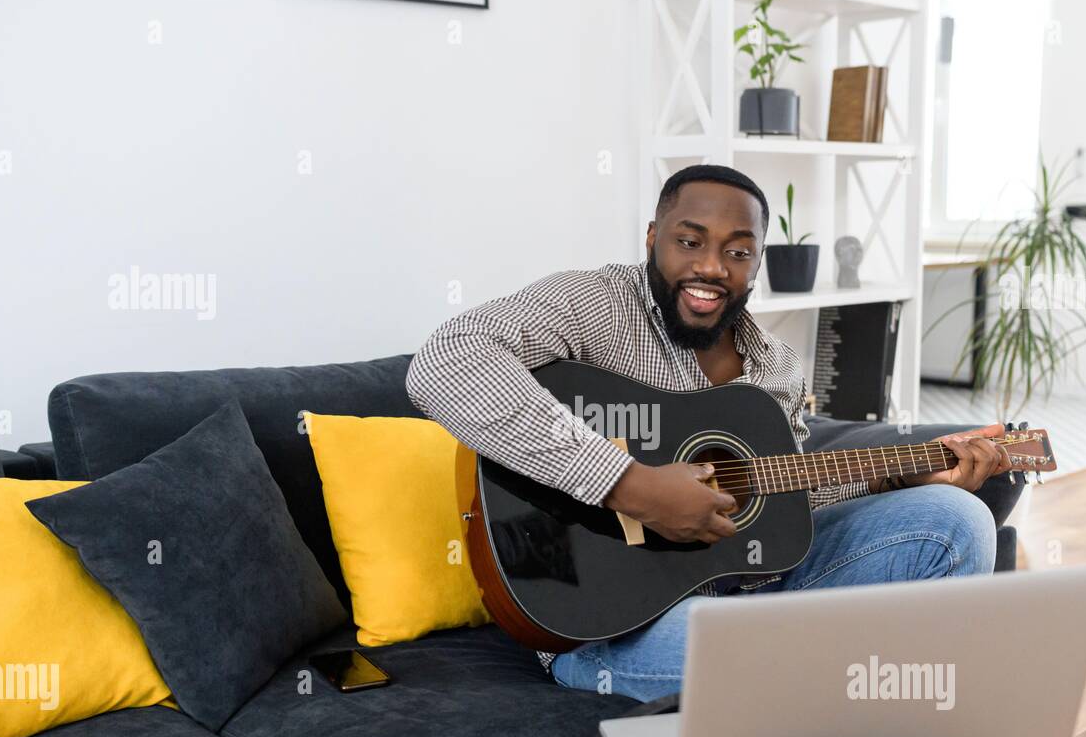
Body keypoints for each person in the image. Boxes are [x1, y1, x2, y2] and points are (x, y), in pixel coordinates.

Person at [405, 164, 1009, 701]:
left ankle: (902, 720)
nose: (711, 267)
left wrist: (897, 474)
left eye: (738, 252)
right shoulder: (593, 304)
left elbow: (775, 503)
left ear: (757, 263)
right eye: (690, 241)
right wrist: (629, 485)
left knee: (958, 519)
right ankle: (861, 682)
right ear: (653, 238)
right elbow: (447, 360)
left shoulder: (776, 366)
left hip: (753, 588)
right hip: (613, 625)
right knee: (762, 650)